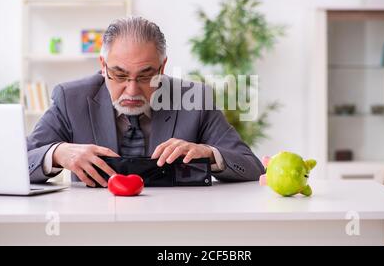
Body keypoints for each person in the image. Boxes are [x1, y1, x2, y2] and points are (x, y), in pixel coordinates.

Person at [27, 17, 264, 187]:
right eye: (119, 75)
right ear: (103, 65)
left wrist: (209, 153)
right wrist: (57, 153)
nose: (131, 90)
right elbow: (19, 162)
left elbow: (251, 167)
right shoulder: (71, 99)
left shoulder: (196, 100)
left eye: (145, 76)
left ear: (162, 67)